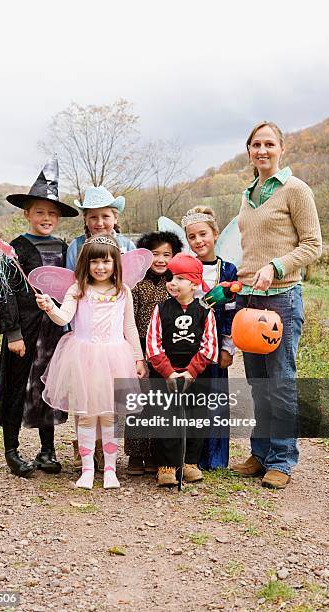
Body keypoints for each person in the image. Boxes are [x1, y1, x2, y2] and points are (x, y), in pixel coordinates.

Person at [232, 121, 322, 489]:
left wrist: (276, 265)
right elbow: (251, 250)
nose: (262, 150)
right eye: (256, 144)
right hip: (249, 300)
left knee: (281, 382)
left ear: (282, 149)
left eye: (269, 144)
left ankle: (283, 460)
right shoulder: (248, 193)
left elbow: (313, 244)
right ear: (249, 150)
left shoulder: (295, 189)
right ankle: (261, 453)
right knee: (257, 383)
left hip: (282, 298)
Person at [36, 235, 146, 490]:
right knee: (85, 416)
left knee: (109, 416)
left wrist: (138, 358)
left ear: (115, 264)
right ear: (86, 263)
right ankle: (87, 469)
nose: (100, 267)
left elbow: (129, 326)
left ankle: (110, 469)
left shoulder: (123, 291)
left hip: (114, 356)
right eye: (94, 261)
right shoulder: (78, 289)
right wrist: (50, 307)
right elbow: (63, 317)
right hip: (83, 357)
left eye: (106, 262)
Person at [0, 157, 79, 477]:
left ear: (58, 218)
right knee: (17, 386)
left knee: (49, 385)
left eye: (52, 213)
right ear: (27, 213)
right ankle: (12, 450)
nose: (46, 218)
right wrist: (13, 332)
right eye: (39, 212)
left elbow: (72, 286)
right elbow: (6, 293)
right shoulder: (14, 249)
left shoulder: (63, 247)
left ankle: (47, 449)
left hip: (53, 331)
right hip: (26, 330)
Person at [66, 185, 136, 471]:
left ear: (115, 217)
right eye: (92, 217)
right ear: (85, 220)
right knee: (85, 392)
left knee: (110, 394)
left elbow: (131, 286)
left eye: (105, 216)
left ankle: (108, 450)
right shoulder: (75, 247)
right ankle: (86, 447)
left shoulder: (128, 247)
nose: (99, 223)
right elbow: (73, 287)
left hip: (115, 329)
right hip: (85, 329)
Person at [146, 253, 219, 486]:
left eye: (179, 278)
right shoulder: (161, 309)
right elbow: (153, 344)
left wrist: (191, 371)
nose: (172, 282)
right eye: (170, 277)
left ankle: (190, 462)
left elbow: (210, 346)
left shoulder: (205, 312)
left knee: (196, 418)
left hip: (195, 374)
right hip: (166, 373)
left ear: (194, 283)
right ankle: (166, 465)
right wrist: (168, 372)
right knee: (166, 418)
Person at [182, 206, 238, 469]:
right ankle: (188, 456)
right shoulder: (184, 267)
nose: (198, 241)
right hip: (188, 340)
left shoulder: (227, 270)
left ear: (215, 234)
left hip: (215, 340)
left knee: (214, 396)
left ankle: (213, 458)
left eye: (203, 234)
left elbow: (231, 310)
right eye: (192, 237)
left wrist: (228, 346)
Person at [124, 231, 183, 476]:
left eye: (166, 254)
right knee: (138, 402)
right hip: (139, 348)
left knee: (161, 403)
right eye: (155, 254)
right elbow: (129, 319)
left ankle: (156, 454)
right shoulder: (137, 284)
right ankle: (136, 454)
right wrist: (136, 352)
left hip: (166, 351)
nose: (160, 260)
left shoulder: (175, 284)